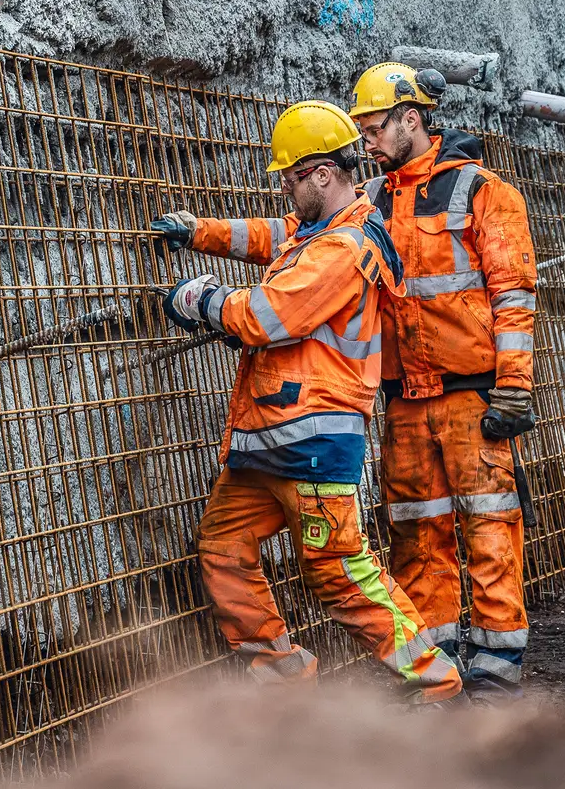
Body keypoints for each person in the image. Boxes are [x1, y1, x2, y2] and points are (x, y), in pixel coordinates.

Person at [151, 99, 464, 706]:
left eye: (291, 179)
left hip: (313, 444)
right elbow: (269, 237)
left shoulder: (342, 247)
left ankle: (436, 683)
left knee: (339, 573)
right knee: (223, 548)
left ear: (321, 174)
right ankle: (283, 683)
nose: (285, 191)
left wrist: (200, 299)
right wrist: (197, 231)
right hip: (268, 443)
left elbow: (267, 315)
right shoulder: (315, 230)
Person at [347, 61, 539, 701]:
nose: (368, 143)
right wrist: (207, 235)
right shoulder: (368, 201)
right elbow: (296, 235)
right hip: (405, 401)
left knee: (489, 527)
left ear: (412, 119)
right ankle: (438, 672)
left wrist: (513, 386)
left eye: (375, 129)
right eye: (362, 132)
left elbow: (513, 296)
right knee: (415, 537)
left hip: (471, 397)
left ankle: (496, 676)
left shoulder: (484, 191)